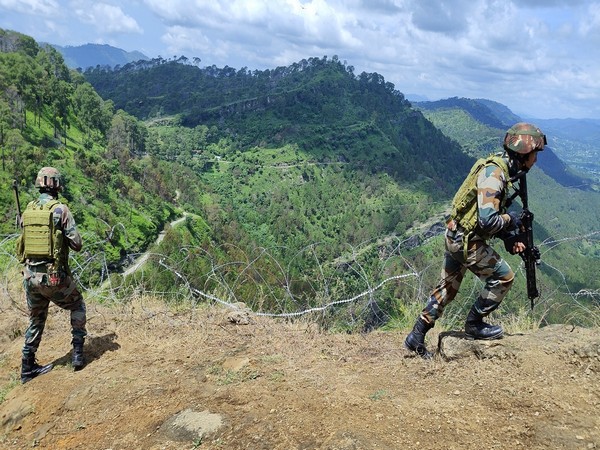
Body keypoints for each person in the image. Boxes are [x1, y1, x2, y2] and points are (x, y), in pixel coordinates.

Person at [404, 123, 546, 358]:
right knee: (504, 277)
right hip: (466, 241)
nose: (535, 161)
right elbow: (488, 221)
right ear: (523, 153)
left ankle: (416, 335)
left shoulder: (500, 168)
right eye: (534, 155)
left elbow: (484, 219)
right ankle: (475, 323)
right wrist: (511, 220)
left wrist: (509, 238)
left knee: (447, 289)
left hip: (456, 235)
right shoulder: (495, 175)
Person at [17, 167, 86, 383]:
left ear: (39, 185)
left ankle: (27, 367)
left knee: (36, 319)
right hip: (53, 277)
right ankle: (77, 354)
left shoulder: (28, 211)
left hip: (30, 277)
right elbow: (77, 244)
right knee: (77, 305)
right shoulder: (60, 210)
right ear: (57, 186)